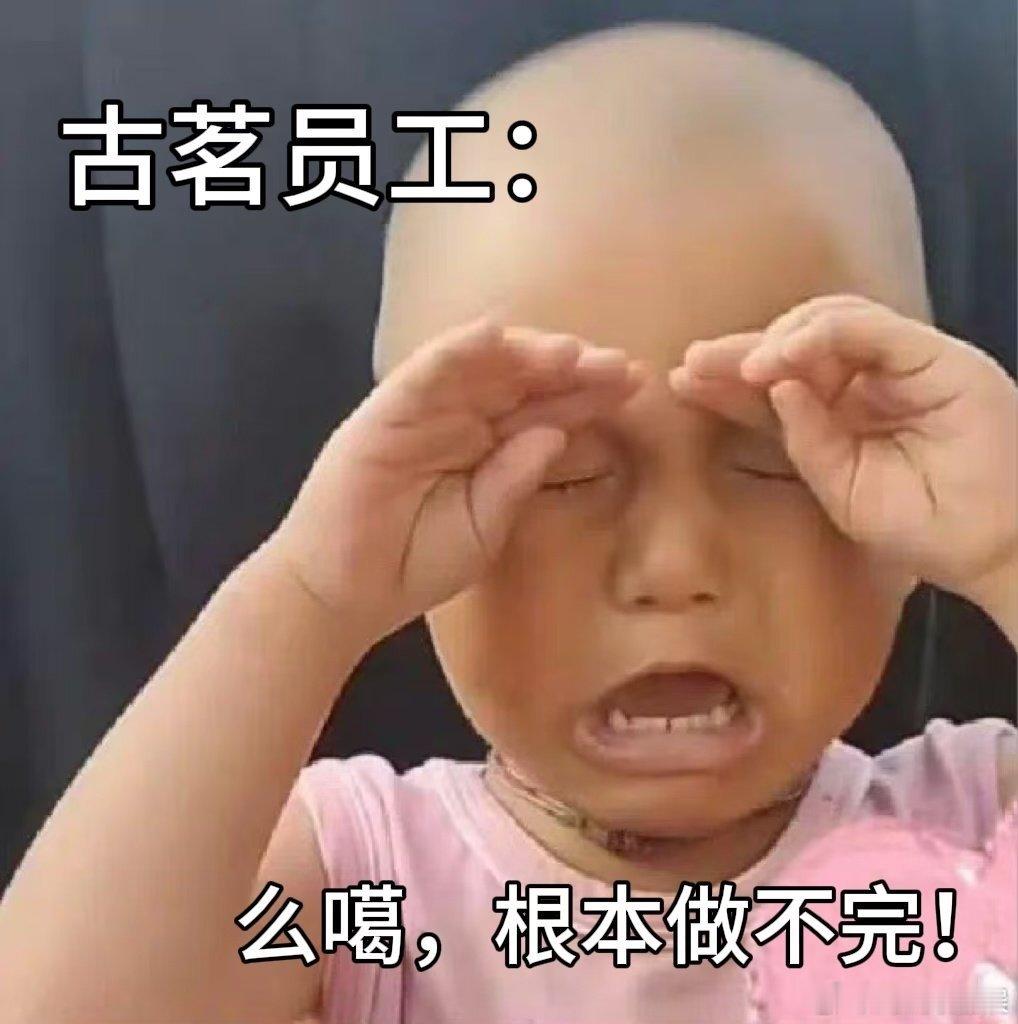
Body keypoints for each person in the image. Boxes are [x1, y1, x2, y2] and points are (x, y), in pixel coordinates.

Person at [1, 22, 1015, 1024]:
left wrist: (1008, 545)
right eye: (562, 478)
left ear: (903, 524)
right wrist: (307, 595)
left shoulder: (970, 834)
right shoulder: (364, 886)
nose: (673, 565)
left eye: (772, 464)